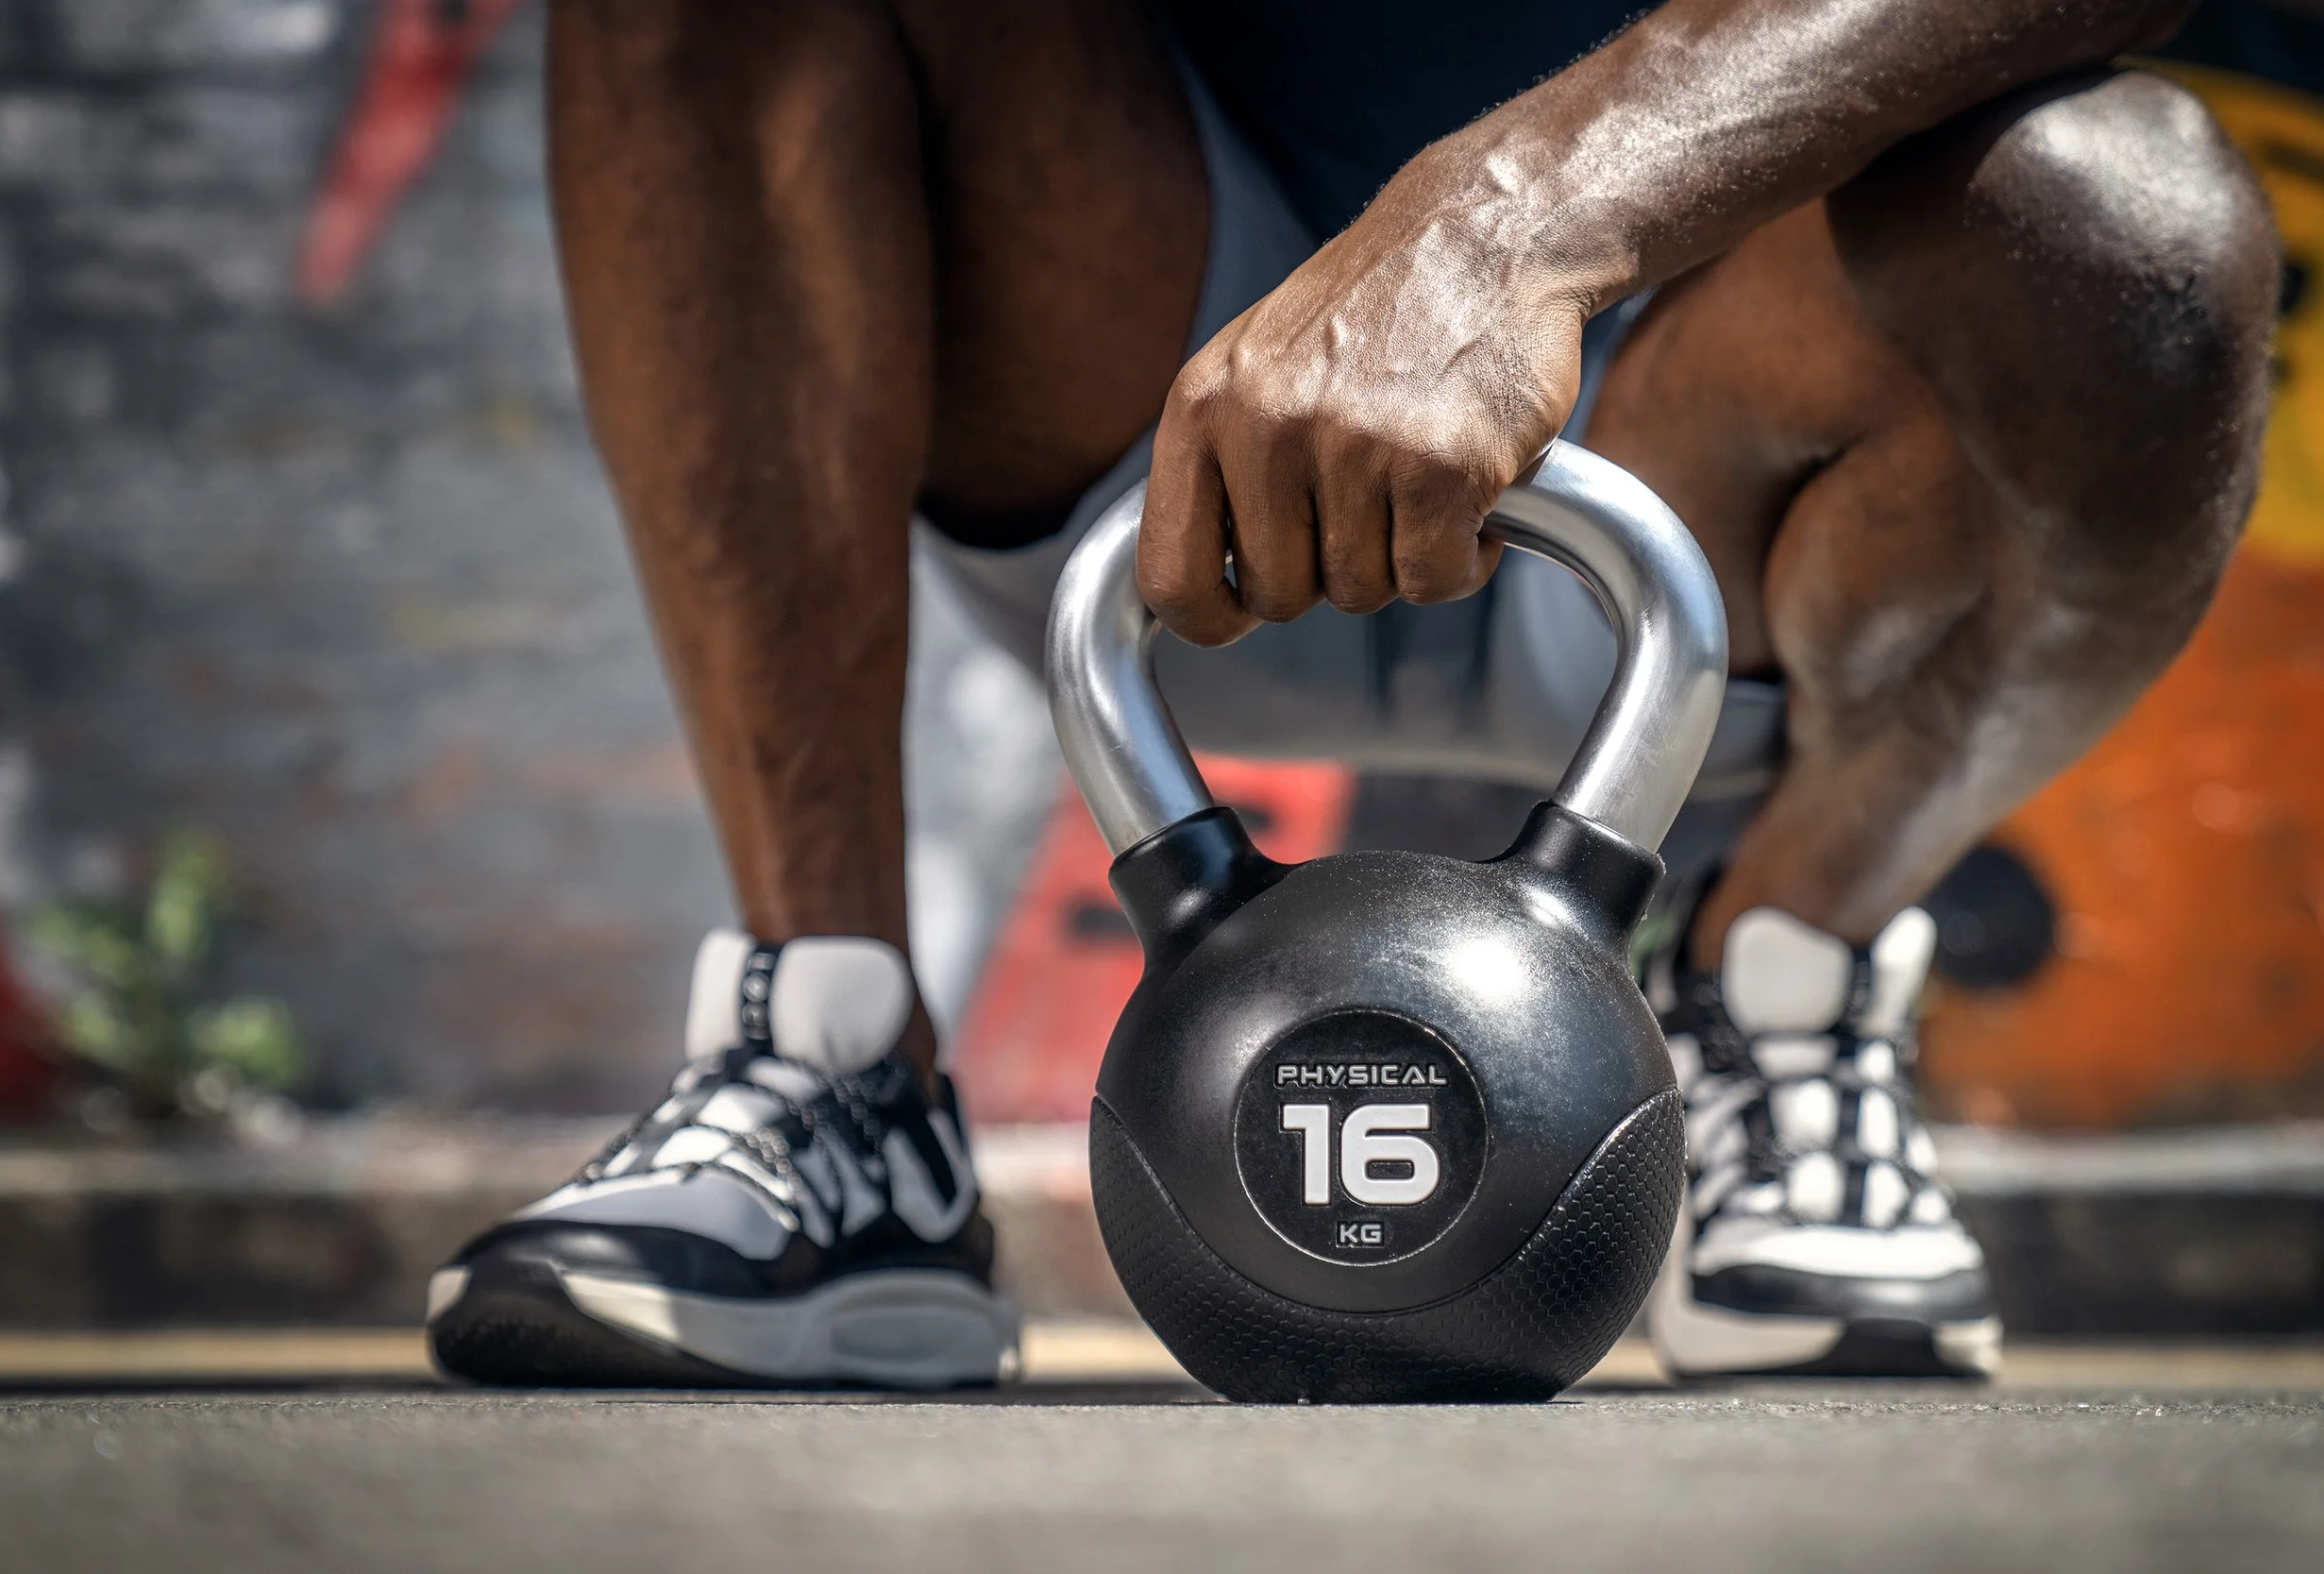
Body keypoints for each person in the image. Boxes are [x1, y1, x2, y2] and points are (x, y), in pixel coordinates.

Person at [425, 0, 2277, 1388]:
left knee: (2117, 213)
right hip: (1144, 388)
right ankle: (831, 1068)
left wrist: (1503, 221)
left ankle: (1778, 990)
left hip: (1756, 424)